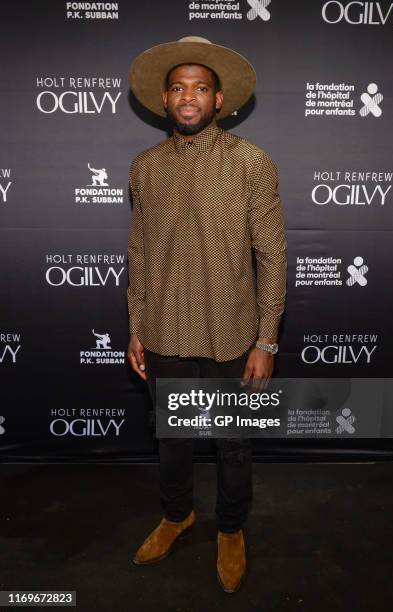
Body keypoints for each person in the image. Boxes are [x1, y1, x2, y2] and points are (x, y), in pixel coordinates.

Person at [126, 35, 287, 593]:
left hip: (231, 336)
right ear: (165, 101)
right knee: (171, 440)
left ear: (219, 100)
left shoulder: (251, 163)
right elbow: (140, 253)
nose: (188, 97)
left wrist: (266, 342)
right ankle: (177, 515)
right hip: (165, 330)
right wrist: (136, 327)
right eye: (178, 88)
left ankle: (232, 529)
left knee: (233, 444)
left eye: (200, 87)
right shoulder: (144, 168)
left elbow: (272, 254)